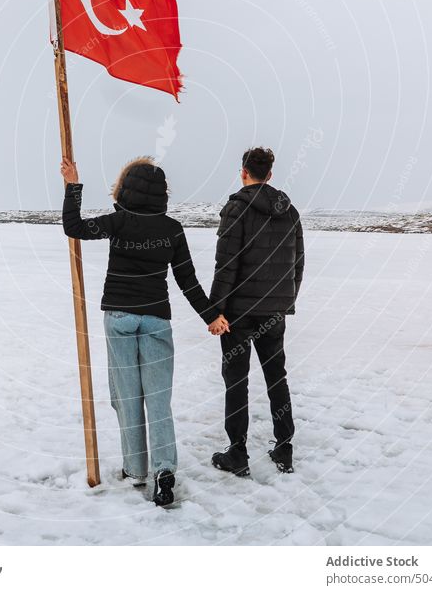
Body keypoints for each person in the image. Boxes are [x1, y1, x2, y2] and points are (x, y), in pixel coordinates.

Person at [60, 155, 229, 506]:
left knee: (126, 397)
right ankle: (164, 471)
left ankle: (136, 469)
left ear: (126, 188)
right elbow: (188, 282)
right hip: (155, 319)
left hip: (120, 317)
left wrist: (73, 185)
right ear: (161, 194)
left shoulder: (119, 222)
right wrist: (211, 316)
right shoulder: (172, 230)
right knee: (158, 400)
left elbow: (74, 227)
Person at [209, 147, 304, 476]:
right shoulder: (289, 212)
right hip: (273, 311)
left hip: (237, 313)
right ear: (270, 174)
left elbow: (226, 265)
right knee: (277, 377)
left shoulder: (237, 208)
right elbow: (298, 263)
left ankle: (237, 452)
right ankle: (284, 447)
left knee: (236, 381)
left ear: (244, 172)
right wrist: (284, 300)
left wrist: (214, 310)